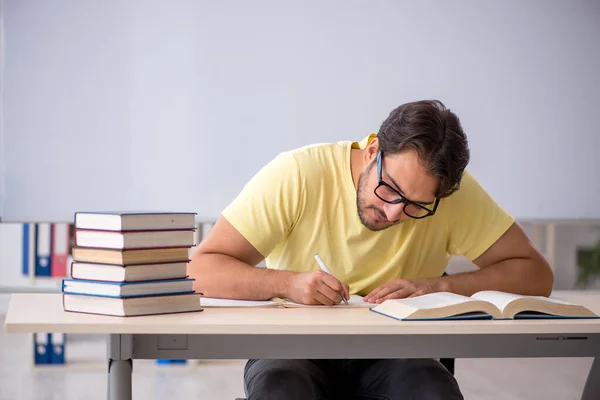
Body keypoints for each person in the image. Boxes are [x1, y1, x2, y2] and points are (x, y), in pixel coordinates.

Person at [188, 99, 554, 400]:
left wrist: (439, 286)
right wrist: (287, 283)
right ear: (372, 150)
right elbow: (199, 269)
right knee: (282, 391)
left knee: (433, 393)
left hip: (399, 351)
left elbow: (535, 274)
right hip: (294, 347)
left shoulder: (451, 196)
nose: (395, 212)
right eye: (390, 188)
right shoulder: (298, 174)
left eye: (416, 205)